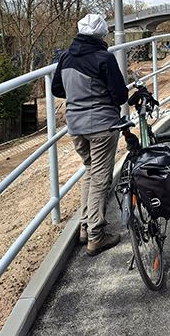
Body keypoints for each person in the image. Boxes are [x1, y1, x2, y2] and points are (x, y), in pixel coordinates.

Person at [51, 14, 128, 256]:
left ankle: (85, 226)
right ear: (103, 36)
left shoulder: (65, 56)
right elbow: (120, 96)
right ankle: (96, 235)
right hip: (102, 126)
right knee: (101, 178)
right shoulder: (104, 57)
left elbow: (56, 89)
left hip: (75, 125)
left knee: (90, 171)